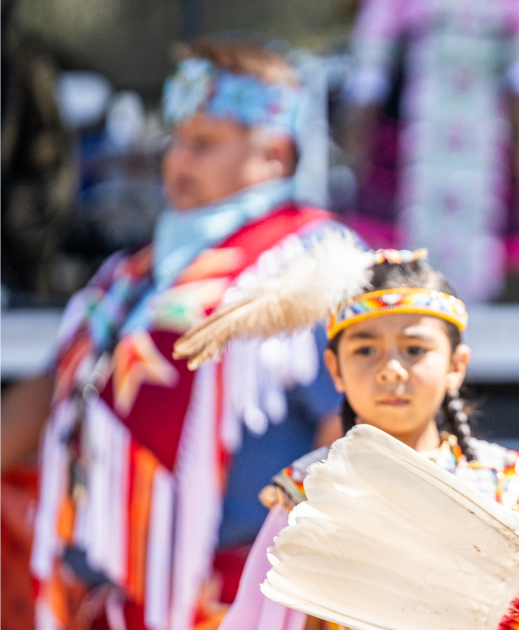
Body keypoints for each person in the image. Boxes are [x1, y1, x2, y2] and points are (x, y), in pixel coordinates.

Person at [0, 42, 350, 630]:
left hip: (235, 600)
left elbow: (350, 425)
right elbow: (54, 388)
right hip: (107, 594)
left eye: (204, 143)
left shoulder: (316, 261)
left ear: (275, 153)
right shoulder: (135, 271)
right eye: (175, 140)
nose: (175, 161)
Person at [207, 247, 519, 630]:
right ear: (335, 369)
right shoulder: (311, 494)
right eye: (366, 350)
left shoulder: (495, 483)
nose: (390, 370)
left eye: (414, 349)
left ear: (456, 365)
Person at [339, 0, 519, 301]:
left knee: (485, 213)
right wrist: (371, 71)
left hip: (486, 116)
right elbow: (380, 21)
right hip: (416, 107)